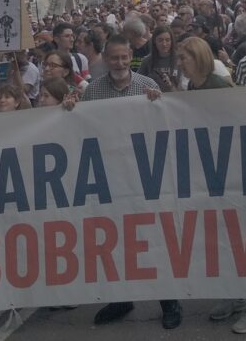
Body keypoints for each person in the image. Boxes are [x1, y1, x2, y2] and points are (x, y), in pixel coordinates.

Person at [71, 34, 181, 329]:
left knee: (153, 235)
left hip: (145, 174)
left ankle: (168, 300)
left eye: (124, 58)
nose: (119, 63)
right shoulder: (93, 91)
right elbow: (81, 129)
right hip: (110, 174)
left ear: (130, 57)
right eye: (113, 58)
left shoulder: (148, 86)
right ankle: (121, 297)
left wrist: (161, 105)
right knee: (114, 237)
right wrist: (69, 110)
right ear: (105, 59)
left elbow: (166, 126)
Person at [138, 25, 180, 92]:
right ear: (155, 41)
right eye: (160, 40)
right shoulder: (147, 61)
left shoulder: (180, 59)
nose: (164, 44)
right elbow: (138, 82)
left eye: (167, 40)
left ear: (172, 41)